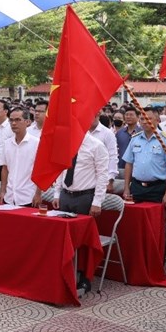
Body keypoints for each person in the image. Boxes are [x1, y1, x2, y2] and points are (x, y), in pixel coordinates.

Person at [52, 116, 110, 296]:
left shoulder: (96, 145)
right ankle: (66, 271)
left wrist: (97, 202)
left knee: (84, 240)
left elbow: (103, 175)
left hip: (85, 197)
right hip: (66, 195)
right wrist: (56, 193)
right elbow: (60, 169)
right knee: (64, 238)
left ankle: (85, 277)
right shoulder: (66, 145)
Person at [121, 106, 166, 205]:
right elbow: (129, 164)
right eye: (142, 119)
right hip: (137, 187)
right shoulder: (135, 139)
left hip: (157, 188)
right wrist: (126, 188)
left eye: (148, 118)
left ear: (157, 120)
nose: (144, 122)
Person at [0, 107, 41, 207]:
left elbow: (41, 170)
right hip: (9, 196)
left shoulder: (36, 143)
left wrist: (38, 194)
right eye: (11, 120)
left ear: (27, 122)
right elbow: (5, 169)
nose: (14, 123)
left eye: (18, 120)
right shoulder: (7, 143)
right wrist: (3, 190)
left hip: (28, 196)